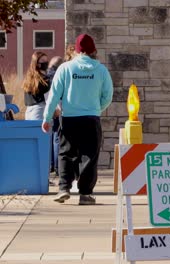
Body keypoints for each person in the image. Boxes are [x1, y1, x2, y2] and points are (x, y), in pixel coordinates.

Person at [42, 34, 114, 205]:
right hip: (91, 118)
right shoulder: (101, 70)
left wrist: (47, 118)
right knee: (89, 155)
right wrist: (96, 109)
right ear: (94, 51)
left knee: (66, 153)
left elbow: (53, 96)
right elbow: (108, 96)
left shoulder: (65, 68)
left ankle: (64, 188)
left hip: (69, 119)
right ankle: (85, 194)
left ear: (76, 50)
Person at [46, 56, 64, 176]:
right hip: (57, 109)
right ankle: (58, 167)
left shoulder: (45, 75)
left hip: (47, 109)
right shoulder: (58, 75)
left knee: (50, 138)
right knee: (57, 138)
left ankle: (51, 165)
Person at [23, 51, 50, 120]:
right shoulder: (44, 79)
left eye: (47, 60)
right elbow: (48, 98)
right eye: (43, 60)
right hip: (40, 110)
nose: (46, 62)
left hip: (28, 111)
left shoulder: (28, 78)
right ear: (37, 63)